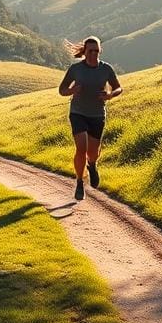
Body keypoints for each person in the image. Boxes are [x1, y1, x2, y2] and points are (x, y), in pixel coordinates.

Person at [58, 35, 122, 200]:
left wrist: (109, 95)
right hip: (78, 112)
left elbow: (118, 88)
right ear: (85, 52)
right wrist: (72, 91)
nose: (94, 53)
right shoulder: (75, 69)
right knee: (81, 148)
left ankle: (92, 165)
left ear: (100, 51)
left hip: (97, 114)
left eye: (96, 50)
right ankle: (79, 181)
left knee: (92, 152)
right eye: (90, 51)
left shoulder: (106, 69)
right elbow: (62, 89)